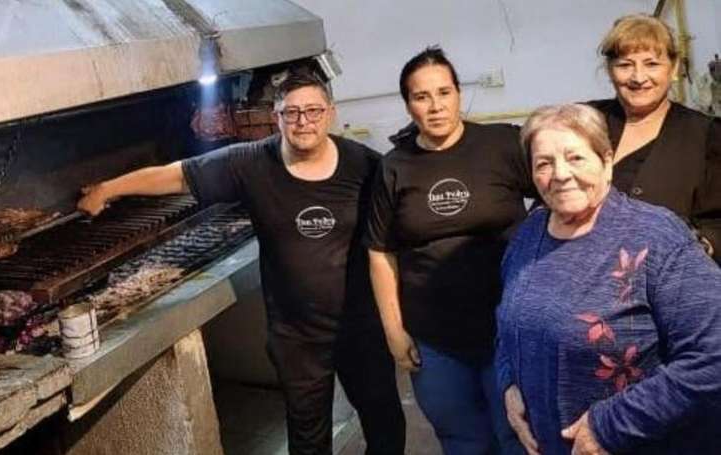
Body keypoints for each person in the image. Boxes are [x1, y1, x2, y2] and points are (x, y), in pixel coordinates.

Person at [77, 73, 405, 455]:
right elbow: (178, 175)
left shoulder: (365, 166)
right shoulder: (250, 163)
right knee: (308, 437)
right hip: (296, 336)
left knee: (384, 422)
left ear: (330, 113)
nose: (303, 122)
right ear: (276, 116)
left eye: (313, 111)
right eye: (292, 112)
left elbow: (400, 228)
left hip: (361, 327)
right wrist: (108, 189)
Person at [497, 103, 721, 455]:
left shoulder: (657, 236)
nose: (560, 174)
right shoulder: (528, 235)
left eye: (575, 158)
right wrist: (509, 383)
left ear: (606, 160)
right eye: (544, 163)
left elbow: (712, 356)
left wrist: (608, 426)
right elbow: (508, 322)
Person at [365, 46, 528, 455]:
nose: (435, 106)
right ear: (408, 105)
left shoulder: (502, 145)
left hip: (507, 329)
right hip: (434, 339)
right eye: (422, 97)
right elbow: (380, 252)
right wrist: (393, 330)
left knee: (518, 433)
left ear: (458, 93)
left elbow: (554, 199)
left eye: (444, 92)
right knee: (462, 439)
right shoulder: (395, 166)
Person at [589, 13, 721, 263]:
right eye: (625, 65)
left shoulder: (707, 135)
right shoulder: (584, 122)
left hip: (671, 280)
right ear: (609, 70)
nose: (639, 78)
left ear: (673, 68)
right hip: (585, 276)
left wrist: (699, 247)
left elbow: (717, 222)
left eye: (651, 64)